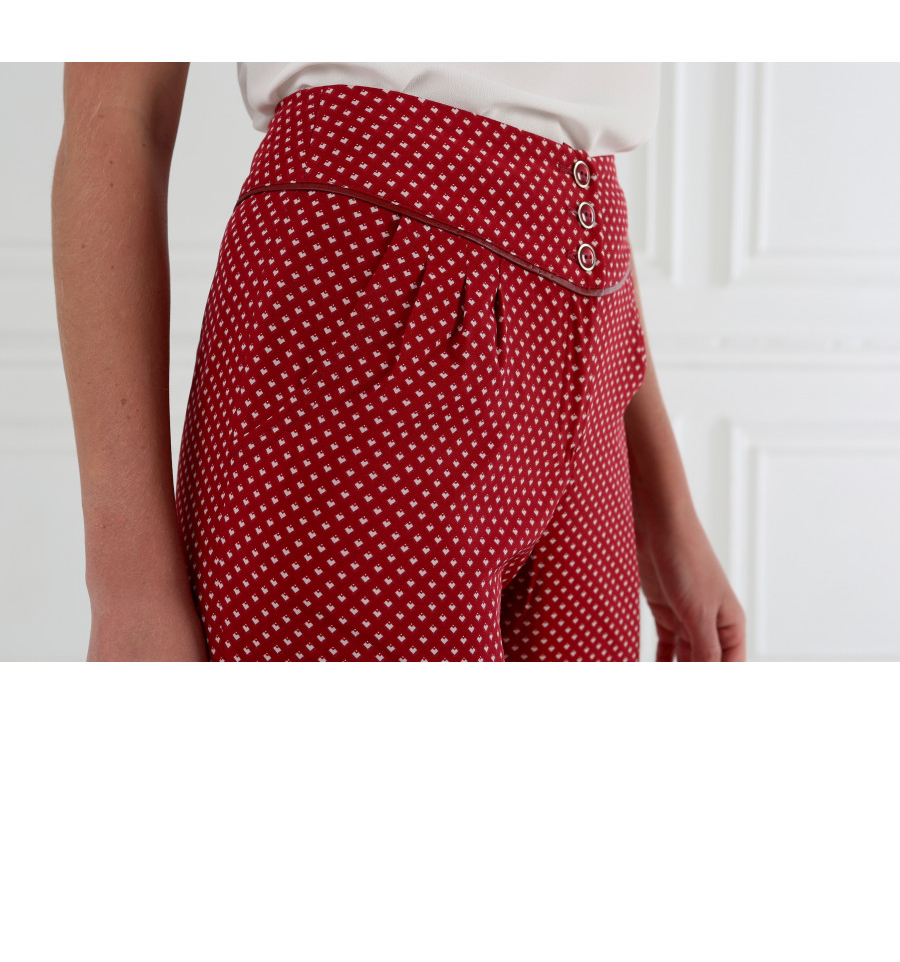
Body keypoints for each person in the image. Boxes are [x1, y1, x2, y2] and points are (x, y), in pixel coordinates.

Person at [51, 62, 746, 662]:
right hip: (364, 327)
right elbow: (117, 116)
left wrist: (666, 504)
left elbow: (567, 118)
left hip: (589, 368)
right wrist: (128, 587)